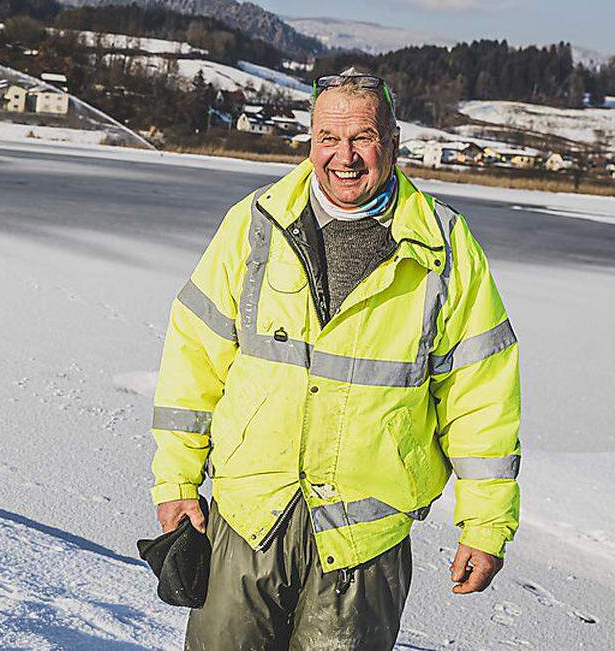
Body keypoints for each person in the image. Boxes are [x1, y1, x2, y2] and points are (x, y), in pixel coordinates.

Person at [149, 70, 520, 650]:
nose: (343, 157)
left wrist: (486, 524)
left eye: (362, 138)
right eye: (328, 137)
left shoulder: (445, 246)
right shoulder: (255, 225)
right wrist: (175, 478)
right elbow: (193, 359)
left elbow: (482, 395)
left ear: (393, 143)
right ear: (310, 141)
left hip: (363, 542)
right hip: (248, 519)